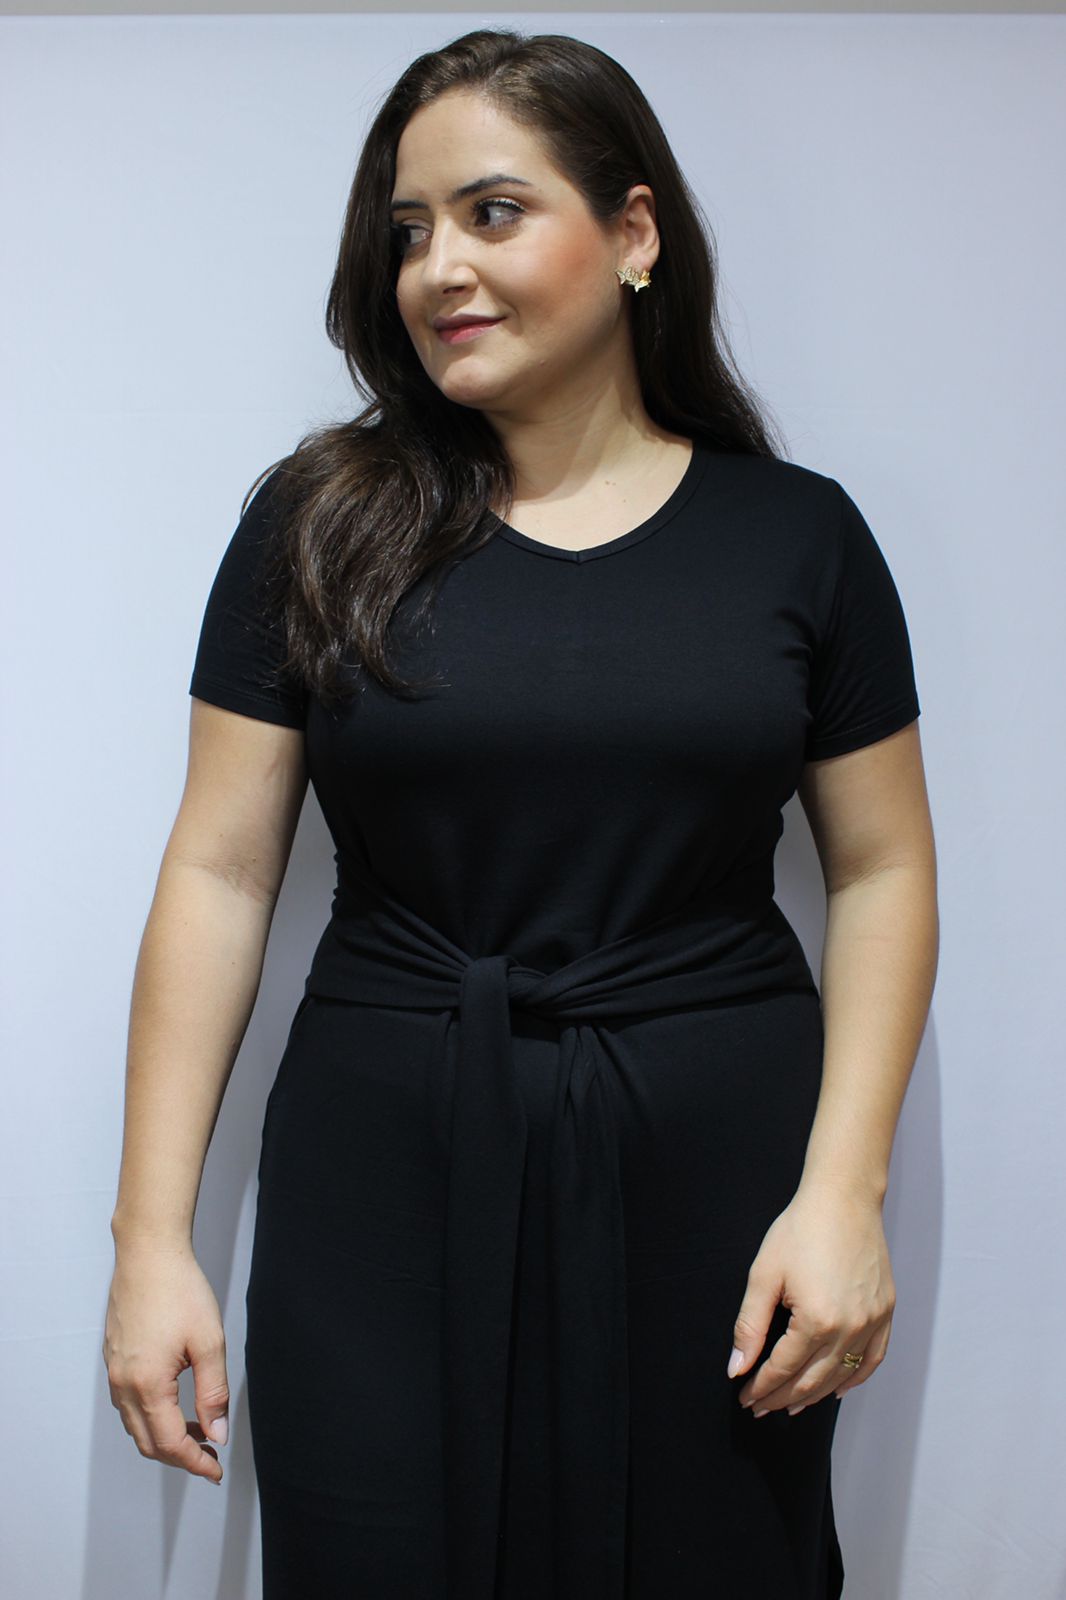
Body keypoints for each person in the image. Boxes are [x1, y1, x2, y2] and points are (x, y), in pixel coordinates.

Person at [103, 26, 939, 1600]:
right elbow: (219, 872)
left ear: (632, 234)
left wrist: (845, 1194)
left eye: (491, 212)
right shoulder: (318, 520)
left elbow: (883, 867)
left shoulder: (798, 538)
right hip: (382, 1168)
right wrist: (151, 1243)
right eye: (407, 231)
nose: (438, 268)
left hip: (716, 1172)